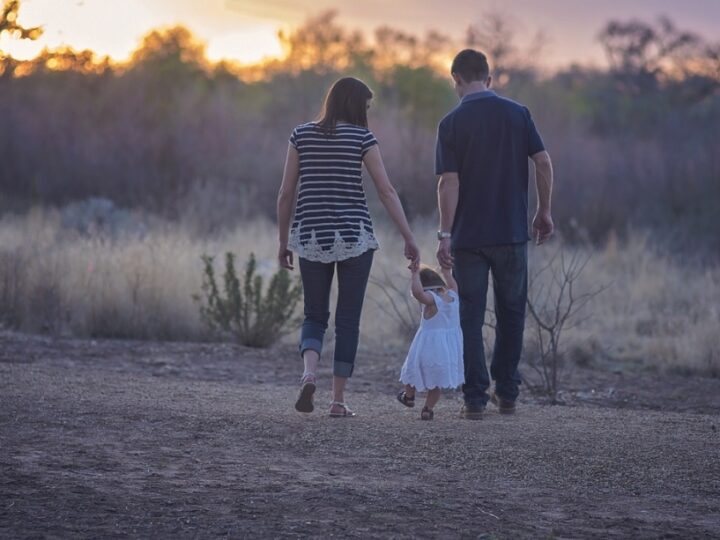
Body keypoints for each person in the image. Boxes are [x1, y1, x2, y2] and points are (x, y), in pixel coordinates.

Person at [277, 77, 420, 418]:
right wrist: (408, 236)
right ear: (356, 105)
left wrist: (284, 241)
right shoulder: (362, 138)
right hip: (355, 237)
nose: (368, 113)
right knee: (348, 320)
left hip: (311, 236)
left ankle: (309, 373)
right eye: (366, 106)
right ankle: (337, 401)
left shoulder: (301, 135)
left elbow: (285, 194)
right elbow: (386, 191)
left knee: (314, 314)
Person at [435, 49, 554, 419]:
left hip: (469, 238)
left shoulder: (451, 123)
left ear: (455, 78)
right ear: (488, 78)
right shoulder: (518, 114)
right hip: (512, 234)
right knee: (512, 313)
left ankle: (474, 399)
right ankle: (507, 394)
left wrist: (444, 233)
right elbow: (543, 161)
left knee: (469, 317)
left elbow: (448, 183)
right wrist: (544, 210)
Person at [397, 265, 464, 420]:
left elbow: (418, 293)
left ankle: (409, 396)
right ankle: (428, 409)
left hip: (427, 347)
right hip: (447, 350)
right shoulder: (453, 296)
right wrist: (447, 272)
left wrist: (414, 275)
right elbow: (453, 284)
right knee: (436, 382)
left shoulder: (432, 301)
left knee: (411, 371)